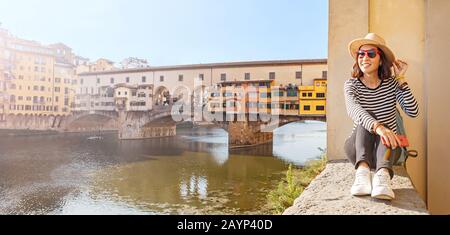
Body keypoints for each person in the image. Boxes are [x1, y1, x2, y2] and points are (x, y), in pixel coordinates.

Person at [343, 33, 419, 200]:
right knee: (366, 116)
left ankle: (382, 177)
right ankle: (362, 173)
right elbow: (354, 109)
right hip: (358, 149)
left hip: (387, 151)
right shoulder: (351, 85)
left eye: (371, 54)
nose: (364, 58)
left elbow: (413, 111)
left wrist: (401, 79)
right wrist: (379, 127)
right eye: (360, 54)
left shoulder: (392, 84)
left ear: (381, 59)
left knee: (387, 127)